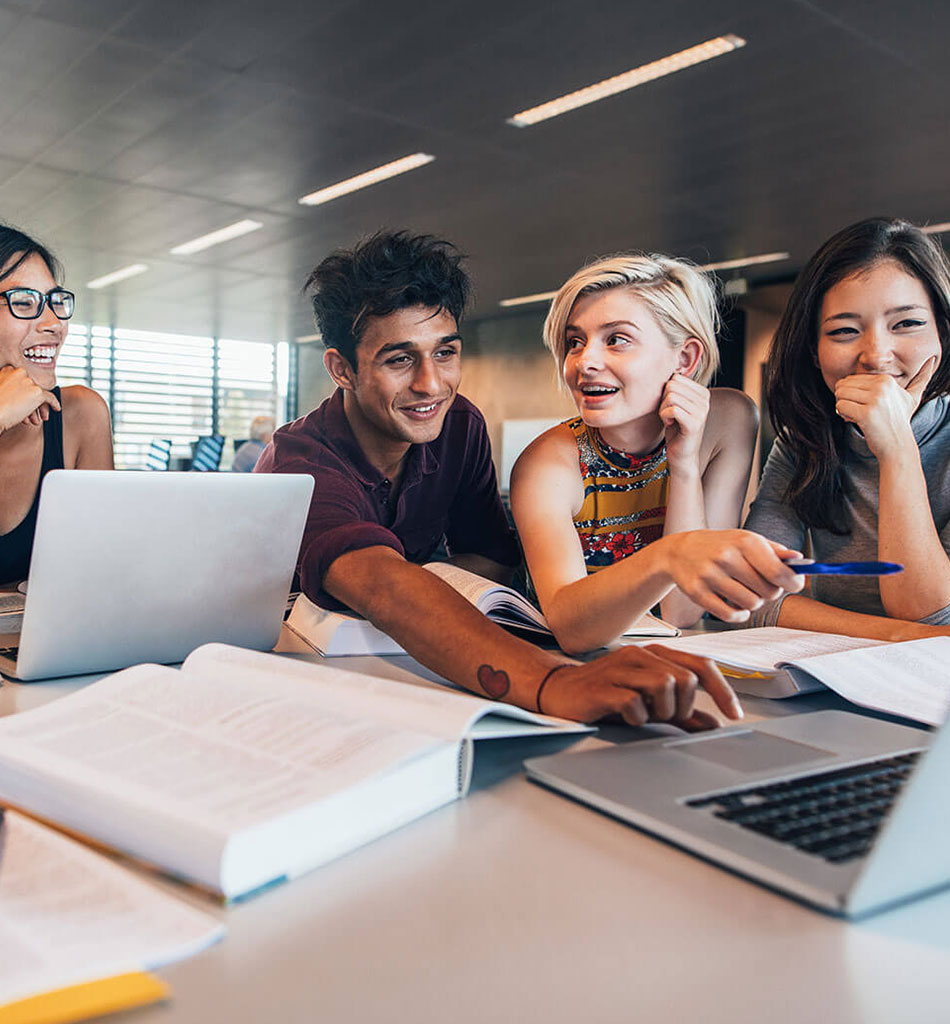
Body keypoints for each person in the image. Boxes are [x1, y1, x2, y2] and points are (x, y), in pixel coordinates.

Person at [257, 230, 744, 728]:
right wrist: (554, 681)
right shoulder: (302, 458)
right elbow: (380, 584)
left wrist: (423, 585)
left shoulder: (457, 427)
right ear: (342, 370)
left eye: (445, 353)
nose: (431, 384)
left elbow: (490, 560)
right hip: (290, 674)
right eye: (400, 359)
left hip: (406, 663)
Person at [510, 253, 804, 653]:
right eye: (575, 342)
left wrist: (683, 465)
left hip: (673, 654)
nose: (584, 362)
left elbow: (687, 610)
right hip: (567, 663)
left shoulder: (729, 420)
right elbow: (571, 629)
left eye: (616, 340)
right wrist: (671, 556)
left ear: (685, 359)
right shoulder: (547, 464)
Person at [745, 216, 950, 641]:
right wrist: (888, 635)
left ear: (943, 333)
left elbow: (931, 615)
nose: (875, 355)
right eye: (844, 331)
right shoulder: (803, 440)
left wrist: (896, 448)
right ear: (815, 353)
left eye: (906, 323)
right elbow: (751, 595)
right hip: (838, 679)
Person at [0, 226, 113, 584]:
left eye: (54, 301)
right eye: (24, 302)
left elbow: (97, 578)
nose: (54, 324)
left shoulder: (80, 415)